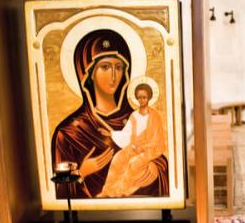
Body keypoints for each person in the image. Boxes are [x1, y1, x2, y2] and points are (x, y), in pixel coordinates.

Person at [50, 29, 167, 199]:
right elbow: (61, 192)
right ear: (88, 74)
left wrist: (157, 168)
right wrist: (81, 172)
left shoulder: (139, 116)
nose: (113, 75)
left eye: (118, 67)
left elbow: (158, 151)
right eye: (105, 67)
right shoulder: (69, 132)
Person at [99, 83, 169, 197]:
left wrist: (143, 147)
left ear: (149, 98)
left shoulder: (154, 116)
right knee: (118, 158)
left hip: (150, 150)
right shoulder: (134, 115)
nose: (142, 100)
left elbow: (158, 140)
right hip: (134, 147)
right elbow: (127, 134)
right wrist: (111, 133)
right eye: (139, 97)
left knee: (133, 163)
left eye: (144, 97)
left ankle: (119, 192)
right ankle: (107, 190)